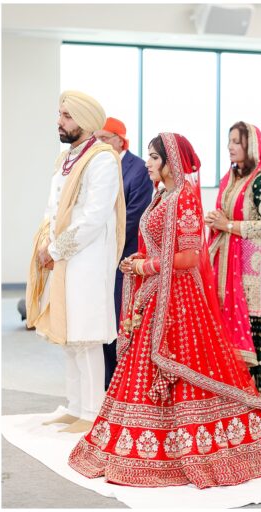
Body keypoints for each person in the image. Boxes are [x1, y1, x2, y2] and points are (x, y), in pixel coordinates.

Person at [68, 133, 261, 487]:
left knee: (185, 369)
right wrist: (142, 260)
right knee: (141, 371)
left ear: (170, 161)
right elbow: (160, 248)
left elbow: (188, 257)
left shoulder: (183, 198)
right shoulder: (161, 196)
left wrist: (144, 267)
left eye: (154, 158)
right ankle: (141, 442)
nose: (148, 163)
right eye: (150, 157)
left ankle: (192, 444)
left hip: (178, 301)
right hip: (156, 295)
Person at [26, 91, 125, 433]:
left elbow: (94, 217)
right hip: (64, 257)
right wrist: (45, 242)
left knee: (86, 335)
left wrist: (55, 250)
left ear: (83, 120)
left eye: (66, 115)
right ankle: (76, 405)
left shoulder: (102, 159)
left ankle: (93, 411)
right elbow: (52, 208)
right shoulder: (66, 159)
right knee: (67, 335)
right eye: (60, 113)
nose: (59, 121)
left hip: (87, 259)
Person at [205, 122, 261, 414]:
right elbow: (226, 216)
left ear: (250, 146)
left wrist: (229, 225)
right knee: (227, 328)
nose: (230, 147)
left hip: (254, 267)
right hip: (227, 264)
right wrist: (217, 220)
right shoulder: (231, 179)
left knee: (260, 329)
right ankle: (236, 391)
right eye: (229, 141)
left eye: (236, 141)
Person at [94, 116, 154, 388]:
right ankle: (105, 382)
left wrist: (105, 243)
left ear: (120, 139)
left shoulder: (138, 168)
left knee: (120, 322)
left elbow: (134, 215)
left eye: (105, 138)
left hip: (123, 259)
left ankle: (122, 383)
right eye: (97, 139)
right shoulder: (97, 166)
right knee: (100, 322)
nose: (100, 144)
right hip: (98, 258)